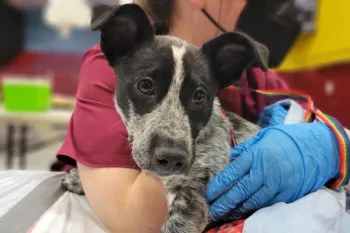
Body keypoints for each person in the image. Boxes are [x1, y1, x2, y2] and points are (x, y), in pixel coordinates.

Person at [55, 0, 349, 232]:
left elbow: (323, 126)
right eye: (146, 86)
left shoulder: (255, 80)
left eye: (199, 97)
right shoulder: (114, 64)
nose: (248, 5)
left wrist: (332, 146)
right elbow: (135, 220)